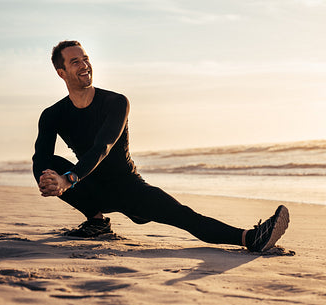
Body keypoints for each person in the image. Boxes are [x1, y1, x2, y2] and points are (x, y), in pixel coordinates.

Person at [32, 40, 289, 253]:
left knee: (184, 216)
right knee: (46, 164)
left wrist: (69, 178)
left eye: (86, 58)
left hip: (128, 188)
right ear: (61, 72)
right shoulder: (53, 114)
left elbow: (103, 146)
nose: (84, 65)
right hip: (90, 187)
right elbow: (40, 157)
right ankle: (97, 222)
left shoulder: (115, 102)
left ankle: (250, 238)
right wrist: (49, 181)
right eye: (75, 61)